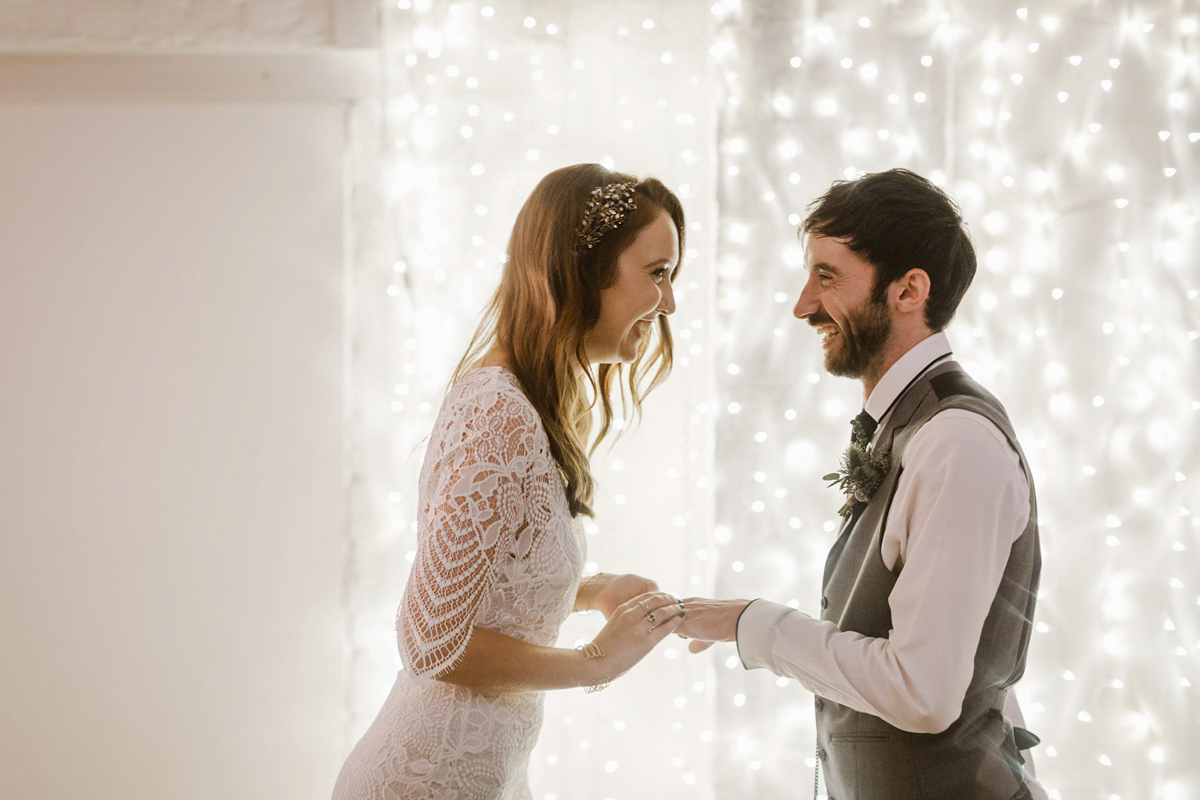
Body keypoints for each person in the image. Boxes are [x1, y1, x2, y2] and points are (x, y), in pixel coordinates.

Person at [678, 169, 1046, 799]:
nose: (803, 305)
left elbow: (924, 694)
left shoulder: (955, 443)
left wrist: (758, 625)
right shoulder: (910, 429)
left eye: (827, 276)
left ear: (909, 290)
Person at [331, 164, 689, 800]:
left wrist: (592, 590)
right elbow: (432, 640)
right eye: (657, 273)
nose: (668, 302)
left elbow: (492, 590)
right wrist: (596, 661)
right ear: (581, 271)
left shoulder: (525, 405)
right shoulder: (499, 411)